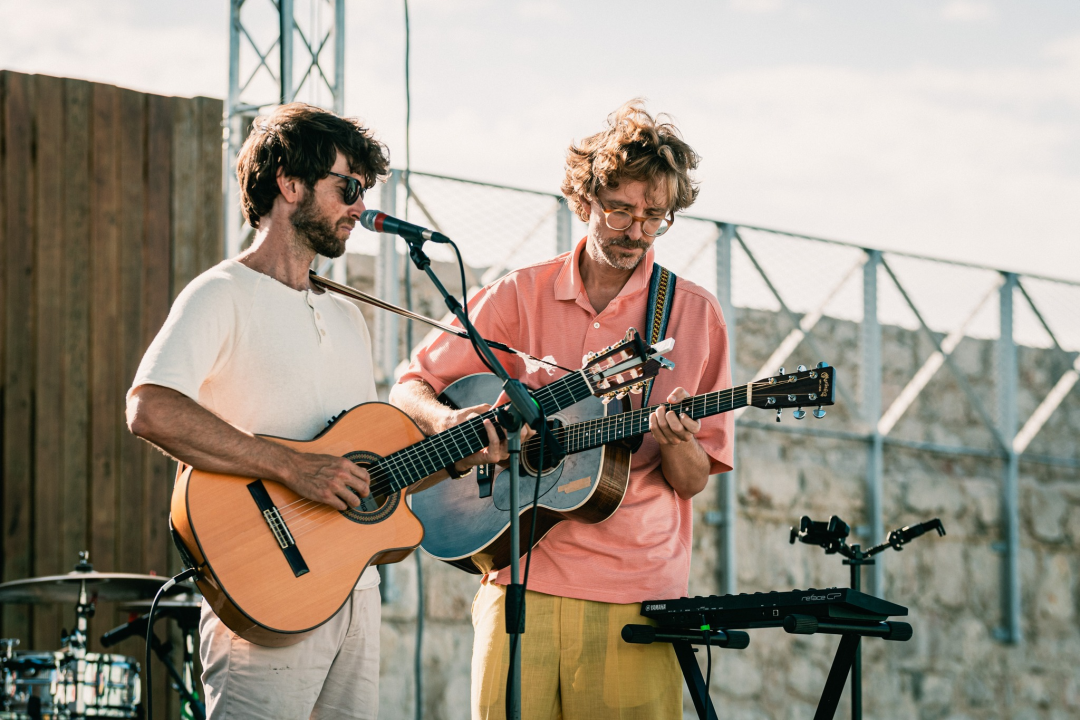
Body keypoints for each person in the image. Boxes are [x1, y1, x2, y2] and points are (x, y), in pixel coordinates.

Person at [126, 102, 502, 719]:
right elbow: (149, 408)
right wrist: (293, 468)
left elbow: (371, 472)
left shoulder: (346, 315)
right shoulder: (222, 292)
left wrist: (460, 450)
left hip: (356, 594)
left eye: (364, 190)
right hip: (266, 591)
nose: (360, 205)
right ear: (289, 183)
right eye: (347, 187)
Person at [389, 100, 734, 719]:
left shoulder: (692, 315)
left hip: (635, 592)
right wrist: (449, 423)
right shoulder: (519, 293)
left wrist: (679, 440)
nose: (636, 231)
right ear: (584, 202)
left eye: (654, 216)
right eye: (621, 210)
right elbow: (412, 382)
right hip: (516, 573)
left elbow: (690, 481)